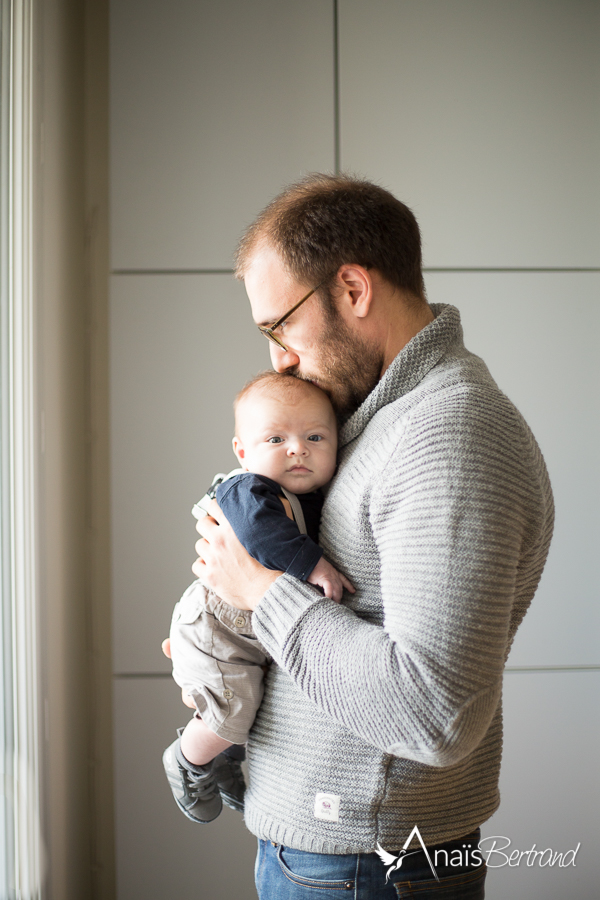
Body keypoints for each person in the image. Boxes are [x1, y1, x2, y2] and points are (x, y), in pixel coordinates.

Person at [181, 175, 554, 898]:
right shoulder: (381, 420)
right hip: (340, 853)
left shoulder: (448, 432)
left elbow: (434, 711)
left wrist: (260, 595)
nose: (278, 361)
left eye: (278, 327)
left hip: (365, 864)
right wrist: (225, 622)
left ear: (352, 289)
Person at [163, 372, 353, 824]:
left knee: (242, 705)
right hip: (217, 623)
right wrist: (313, 565)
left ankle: (222, 755)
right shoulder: (247, 489)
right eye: (276, 438)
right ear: (243, 452)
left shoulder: (313, 494)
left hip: (244, 627)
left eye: (315, 437)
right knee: (230, 711)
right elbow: (257, 532)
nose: (297, 449)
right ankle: (188, 760)